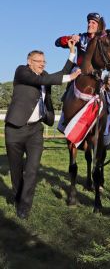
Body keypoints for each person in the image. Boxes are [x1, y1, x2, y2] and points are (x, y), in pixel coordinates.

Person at [5, 40, 81, 219]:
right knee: (16, 170)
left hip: (35, 130)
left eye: (44, 62)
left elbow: (60, 74)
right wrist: (70, 78)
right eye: (39, 61)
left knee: (32, 169)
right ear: (29, 61)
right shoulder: (22, 71)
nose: (43, 64)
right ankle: (18, 196)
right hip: (15, 128)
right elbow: (43, 79)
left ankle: (24, 206)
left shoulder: (44, 75)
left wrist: (71, 53)